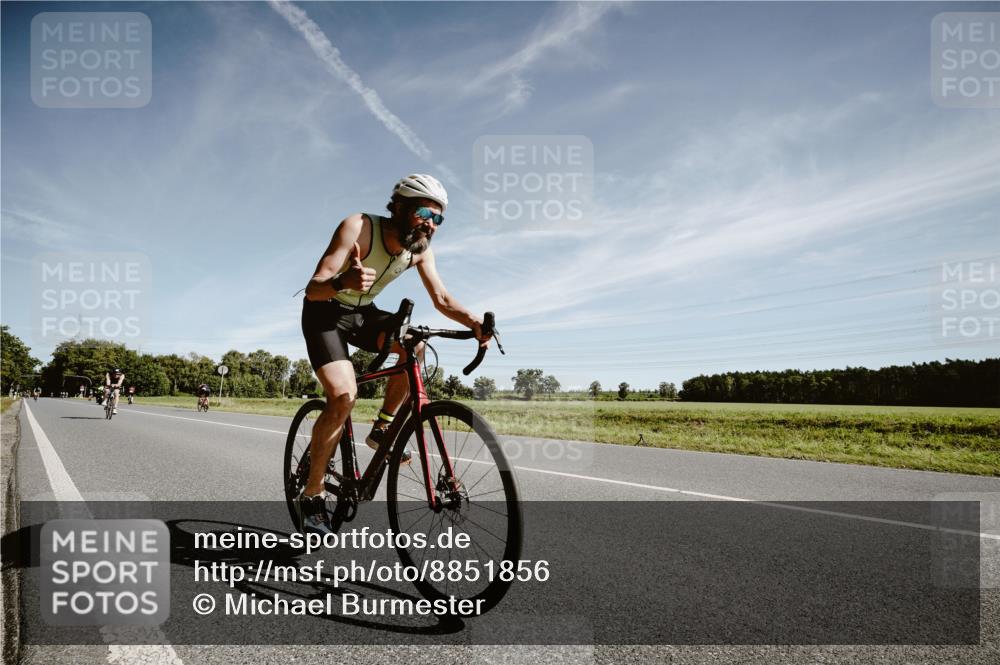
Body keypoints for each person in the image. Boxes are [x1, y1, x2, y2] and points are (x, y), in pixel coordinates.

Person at [297, 174, 491, 535]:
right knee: (343, 395)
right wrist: (343, 282)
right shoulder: (358, 226)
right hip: (325, 311)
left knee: (415, 343)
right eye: (424, 213)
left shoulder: (419, 249)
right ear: (399, 206)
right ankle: (312, 494)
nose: (430, 225)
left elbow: (443, 300)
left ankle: (382, 427)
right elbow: (313, 289)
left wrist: (474, 321)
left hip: (362, 312)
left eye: (438, 219)